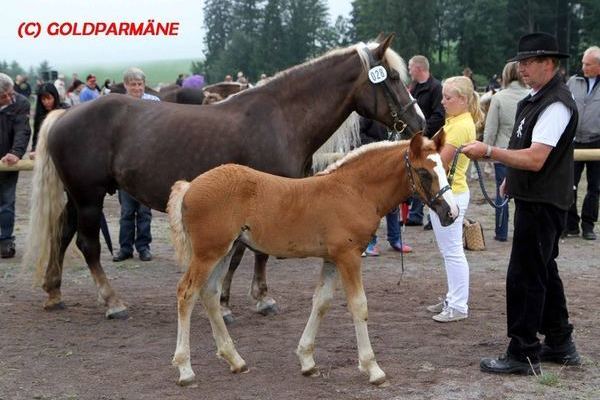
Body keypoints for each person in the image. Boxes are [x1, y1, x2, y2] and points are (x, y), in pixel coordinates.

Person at [462, 32, 581, 375]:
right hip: (536, 198)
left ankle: (523, 351)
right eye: (521, 64)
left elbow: (536, 157)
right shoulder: (536, 99)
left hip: (544, 202)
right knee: (544, 270)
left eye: (529, 63)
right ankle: (560, 341)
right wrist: (509, 178)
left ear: (549, 63)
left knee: (524, 277)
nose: (523, 69)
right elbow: (525, 148)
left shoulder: (556, 103)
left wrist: (488, 151)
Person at [426, 76, 481, 323]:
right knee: (449, 250)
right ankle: (453, 298)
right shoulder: (455, 121)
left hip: (450, 193)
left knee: (453, 251)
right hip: (450, 192)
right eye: (444, 96)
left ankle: (458, 305)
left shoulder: (458, 126)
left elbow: (438, 161)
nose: (443, 101)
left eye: (448, 98)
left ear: (462, 99)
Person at [112, 67, 159, 263]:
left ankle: (143, 247)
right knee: (127, 211)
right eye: (133, 84)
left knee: (145, 211)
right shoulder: (119, 105)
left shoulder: (155, 103)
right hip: (126, 166)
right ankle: (125, 248)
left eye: (140, 84)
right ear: (126, 86)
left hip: (148, 166)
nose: (137, 88)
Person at [482, 61, 529, 242]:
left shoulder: (499, 98)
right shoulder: (531, 96)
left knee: (502, 194)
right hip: (526, 152)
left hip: (503, 153)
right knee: (524, 195)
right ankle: (522, 232)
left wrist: (485, 153)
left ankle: (501, 232)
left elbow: (491, 130)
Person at [359, 117, 412, 256]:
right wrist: (379, 147)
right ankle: (370, 242)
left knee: (393, 204)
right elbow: (358, 136)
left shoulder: (400, 116)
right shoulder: (368, 114)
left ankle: (395, 239)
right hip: (373, 164)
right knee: (374, 206)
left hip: (392, 165)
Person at [405, 55, 445, 228]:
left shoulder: (436, 88)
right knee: (415, 174)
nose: (408, 70)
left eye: (410, 67)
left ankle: (432, 217)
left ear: (419, 68)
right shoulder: (412, 88)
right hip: (415, 139)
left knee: (431, 176)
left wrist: (422, 132)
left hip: (428, 140)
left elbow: (439, 115)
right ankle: (415, 214)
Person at [565, 46, 600, 240]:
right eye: (583, 63)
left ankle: (588, 225)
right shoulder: (573, 81)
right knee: (570, 184)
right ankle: (571, 224)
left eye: (588, 64)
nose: (583, 66)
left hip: (597, 142)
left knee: (595, 187)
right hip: (574, 141)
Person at [0, 73, 31, 258]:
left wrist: (16, 153)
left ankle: (5, 240)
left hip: (7, 162)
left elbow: (23, 130)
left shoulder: (21, 103)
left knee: (6, 201)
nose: (10, 97)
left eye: (10, 92)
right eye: (4, 96)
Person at [31, 83, 69, 159]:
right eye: (43, 99)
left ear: (55, 97)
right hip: (45, 155)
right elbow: (36, 136)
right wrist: (34, 150)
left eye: (49, 98)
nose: (46, 102)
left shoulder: (65, 111)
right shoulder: (40, 116)